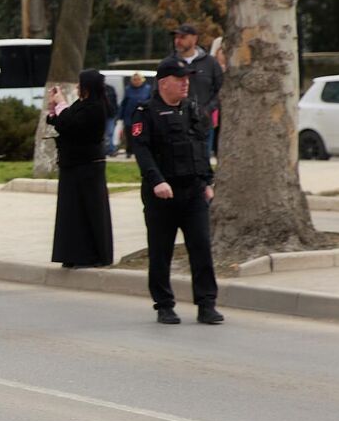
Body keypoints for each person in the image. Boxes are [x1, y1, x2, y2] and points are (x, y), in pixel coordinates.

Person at [129, 57, 221, 326]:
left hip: (193, 192)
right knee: (161, 252)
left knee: (201, 247)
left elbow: (200, 148)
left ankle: (206, 304)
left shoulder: (191, 109)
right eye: (180, 79)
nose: (185, 84)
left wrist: (207, 182)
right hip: (162, 194)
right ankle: (164, 305)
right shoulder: (146, 112)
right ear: (163, 83)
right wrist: (157, 181)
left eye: (187, 79)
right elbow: (142, 151)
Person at [47, 71, 114, 269]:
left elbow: (74, 124)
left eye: (80, 84)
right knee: (71, 212)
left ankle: (94, 255)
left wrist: (61, 103)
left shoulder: (96, 107)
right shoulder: (81, 104)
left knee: (90, 211)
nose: (77, 87)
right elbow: (64, 124)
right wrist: (54, 110)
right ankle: (72, 254)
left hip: (88, 166)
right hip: (71, 164)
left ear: (88, 86)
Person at [170, 24, 223, 152]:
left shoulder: (210, 63)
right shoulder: (169, 63)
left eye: (182, 37)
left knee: (201, 159)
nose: (178, 41)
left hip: (202, 124)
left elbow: (221, 89)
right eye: (176, 37)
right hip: (175, 123)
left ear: (194, 39)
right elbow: (159, 90)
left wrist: (208, 109)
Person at [116, 72, 152, 155]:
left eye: (138, 79)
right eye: (134, 80)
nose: (136, 81)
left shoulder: (148, 89)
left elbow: (150, 101)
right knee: (129, 134)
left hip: (142, 115)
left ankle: (141, 150)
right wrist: (120, 115)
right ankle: (129, 151)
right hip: (129, 116)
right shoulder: (128, 89)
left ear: (142, 80)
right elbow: (124, 103)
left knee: (140, 133)